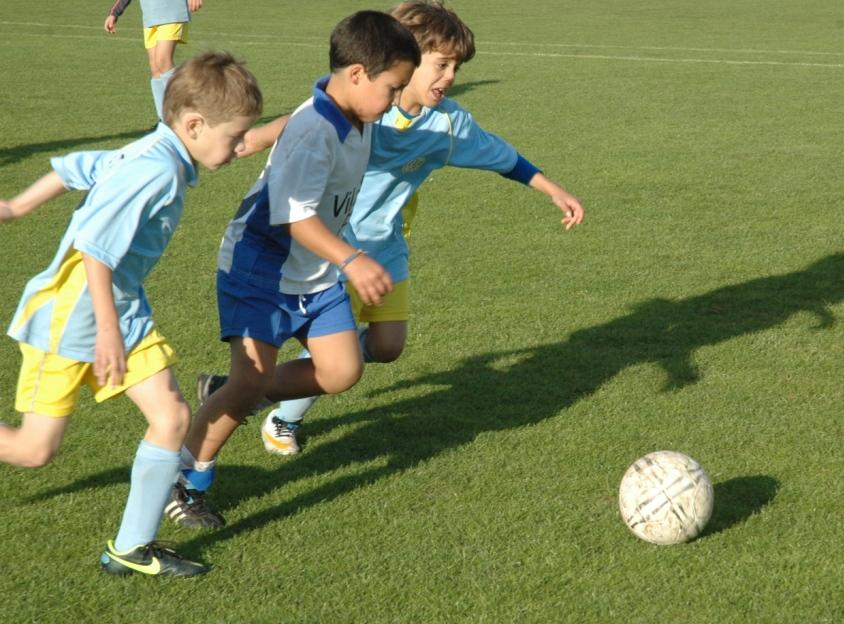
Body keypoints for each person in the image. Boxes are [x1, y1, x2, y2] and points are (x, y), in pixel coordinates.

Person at [200, 0, 585, 459]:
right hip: (335, 246)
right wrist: (251, 140)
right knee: (333, 350)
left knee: (387, 347)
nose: (450, 77)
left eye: (456, 67)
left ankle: (240, 389)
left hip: (385, 246)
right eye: (441, 64)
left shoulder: (448, 125)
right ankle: (281, 414)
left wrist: (552, 189)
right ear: (407, 59)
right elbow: (304, 121)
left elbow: (502, 157)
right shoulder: (366, 109)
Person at [0, 52, 262, 576]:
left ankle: (131, 549)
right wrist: (108, 334)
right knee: (33, 451)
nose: (238, 149)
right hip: (73, 316)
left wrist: (16, 207)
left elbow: (74, 167)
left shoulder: (154, 150)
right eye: (233, 138)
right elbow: (95, 251)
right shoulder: (157, 170)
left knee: (171, 416)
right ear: (193, 124)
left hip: (121, 308)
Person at [163, 11, 420, 528]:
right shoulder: (315, 132)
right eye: (392, 89)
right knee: (250, 381)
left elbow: (297, 120)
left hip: (314, 273)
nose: (395, 101)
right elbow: (296, 218)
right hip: (261, 268)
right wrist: (353, 258)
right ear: (356, 76)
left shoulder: (354, 114)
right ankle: (186, 481)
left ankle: (227, 393)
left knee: (343, 370)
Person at [104, 0, 205, 120]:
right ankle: (164, 121)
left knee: (162, 61)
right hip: (151, 15)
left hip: (172, 11)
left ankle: (189, 109)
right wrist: (114, 13)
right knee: (155, 67)